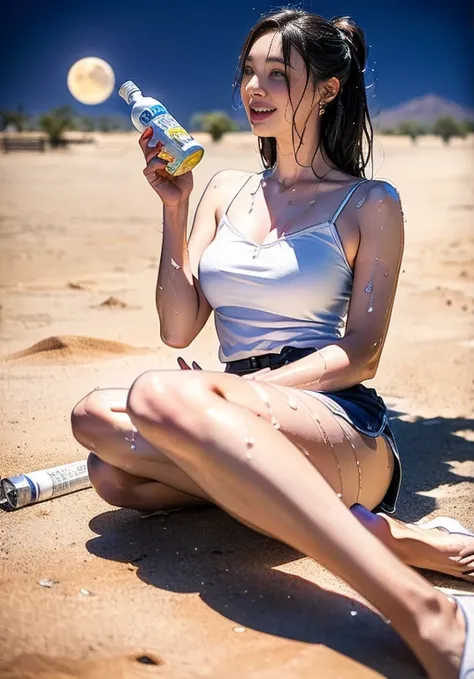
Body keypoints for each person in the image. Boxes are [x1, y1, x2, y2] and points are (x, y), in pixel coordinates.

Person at [71, 9, 473, 678]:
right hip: (239, 410)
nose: (255, 88)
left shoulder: (370, 202)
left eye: (279, 74)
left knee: (155, 398)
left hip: (338, 420)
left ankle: (431, 614)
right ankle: (389, 536)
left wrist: (243, 391)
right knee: (100, 447)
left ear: (328, 90)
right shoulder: (226, 190)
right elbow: (177, 327)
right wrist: (175, 208)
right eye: (249, 72)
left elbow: (362, 353)